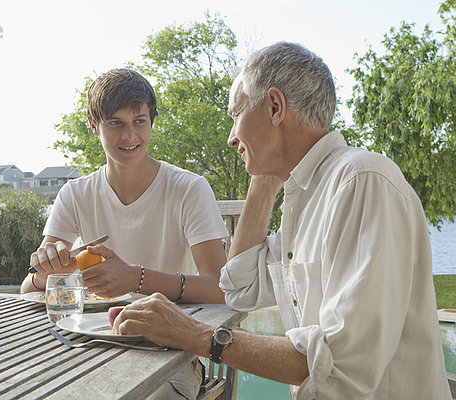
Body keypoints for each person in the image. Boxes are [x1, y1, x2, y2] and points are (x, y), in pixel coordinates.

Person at [111, 42, 451, 399]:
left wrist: (192, 334)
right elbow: (238, 287)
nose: (231, 138)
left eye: (236, 115)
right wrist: (266, 176)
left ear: (275, 107)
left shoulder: (360, 181)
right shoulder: (306, 196)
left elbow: (341, 365)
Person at [21, 68, 229, 399]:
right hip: (89, 348)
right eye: (115, 123)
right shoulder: (75, 194)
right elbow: (31, 286)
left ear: (151, 123)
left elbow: (220, 288)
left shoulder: (188, 189)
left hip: (170, 354)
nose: (129, 135)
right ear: (95, 126)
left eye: (139, 121)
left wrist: (135, 278)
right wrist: (46, 271)